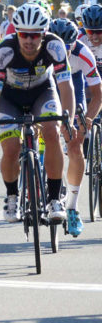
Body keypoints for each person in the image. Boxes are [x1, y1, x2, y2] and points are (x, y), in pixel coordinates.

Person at [0, 3, 74, 223]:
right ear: (17, 32)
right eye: (24, 34)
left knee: (52, 132)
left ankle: (54, 199)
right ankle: (12, 195)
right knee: (12, 147)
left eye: (35, 35)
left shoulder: (55, 46)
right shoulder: (5, 50)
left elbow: (65, 87)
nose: (29, 40)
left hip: (42, 92)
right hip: (9, 98)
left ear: (44, 34)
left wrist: (68, 121)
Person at [49, 18, 102, 237]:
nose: (64, 51)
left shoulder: (83, 53)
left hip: (74, 87)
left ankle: (72, 206)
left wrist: (88, 118)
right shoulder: (40, 51)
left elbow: (98, 95)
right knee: (45, 134)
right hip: (48, 87)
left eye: (68, 46)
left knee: (75, 145)